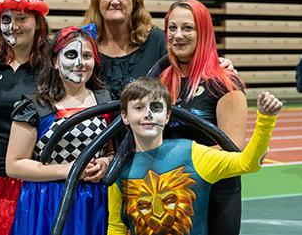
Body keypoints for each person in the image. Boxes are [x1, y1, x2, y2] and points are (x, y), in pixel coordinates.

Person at [108, 77, 283, 235]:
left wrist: (265, 120)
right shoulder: (120, 170)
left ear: (167, 115)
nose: (148, 114)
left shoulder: (193, 154)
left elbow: (248, 163)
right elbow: (116, 226)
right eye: (139, 107)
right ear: (124, 115)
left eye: (156, 107)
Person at [6, 27, 114, 235]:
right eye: (71, 55)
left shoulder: (105, 100)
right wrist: (70, 170)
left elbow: (111, 151)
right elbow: (14, 165)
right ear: (55, 61)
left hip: (95, 199)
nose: (80, 63)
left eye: (87, 56)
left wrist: (104, 164)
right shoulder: (34, 106)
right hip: (48, 200)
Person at [159, 0, 247, 235]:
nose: (178, 35)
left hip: (213, 196)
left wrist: (178, 164)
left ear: (204, 32)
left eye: (188, 28)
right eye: (172, 28)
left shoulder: (225, 83)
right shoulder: (161, 79)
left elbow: (233, 148)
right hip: (167, 192)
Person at [0, 0, 50, 235]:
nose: (14, 26)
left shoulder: (55, 67)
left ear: (38, 23)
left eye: (22, 18)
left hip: (40, 179)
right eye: (7, 19)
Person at [83, 0, 166, 100]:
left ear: (135, 2)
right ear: (97, 2)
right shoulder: (84, 42)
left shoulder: (156, 40)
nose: (115, 1)